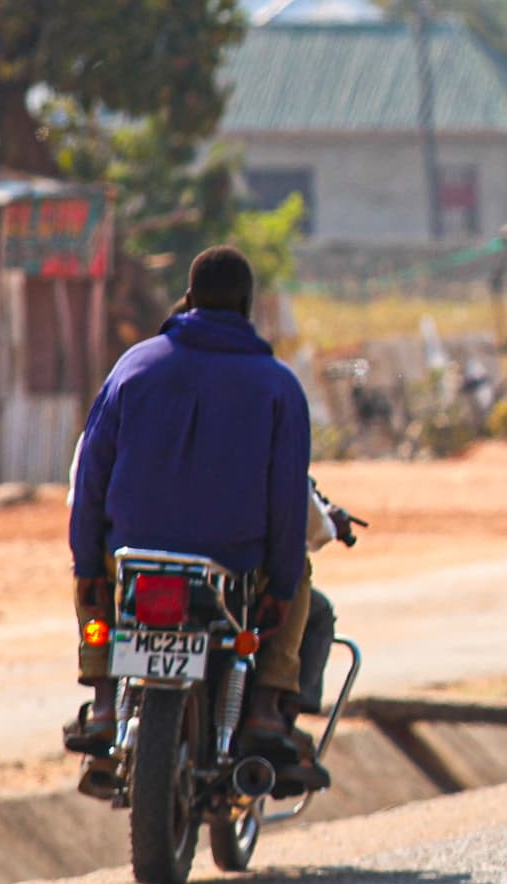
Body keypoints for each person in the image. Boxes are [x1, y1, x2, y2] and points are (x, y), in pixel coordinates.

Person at [62, 246, 325, 789]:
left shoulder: (132, 367)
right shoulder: (278, 386)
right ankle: (265, 710)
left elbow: (90, 477)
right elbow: (287, 499)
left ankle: (106, 700)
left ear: (187, 298)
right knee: (298, 584)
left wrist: (86, 566)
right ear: (247, 306)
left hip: (133, 555)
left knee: (97, 601)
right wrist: (280, 580)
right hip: (232, 563)